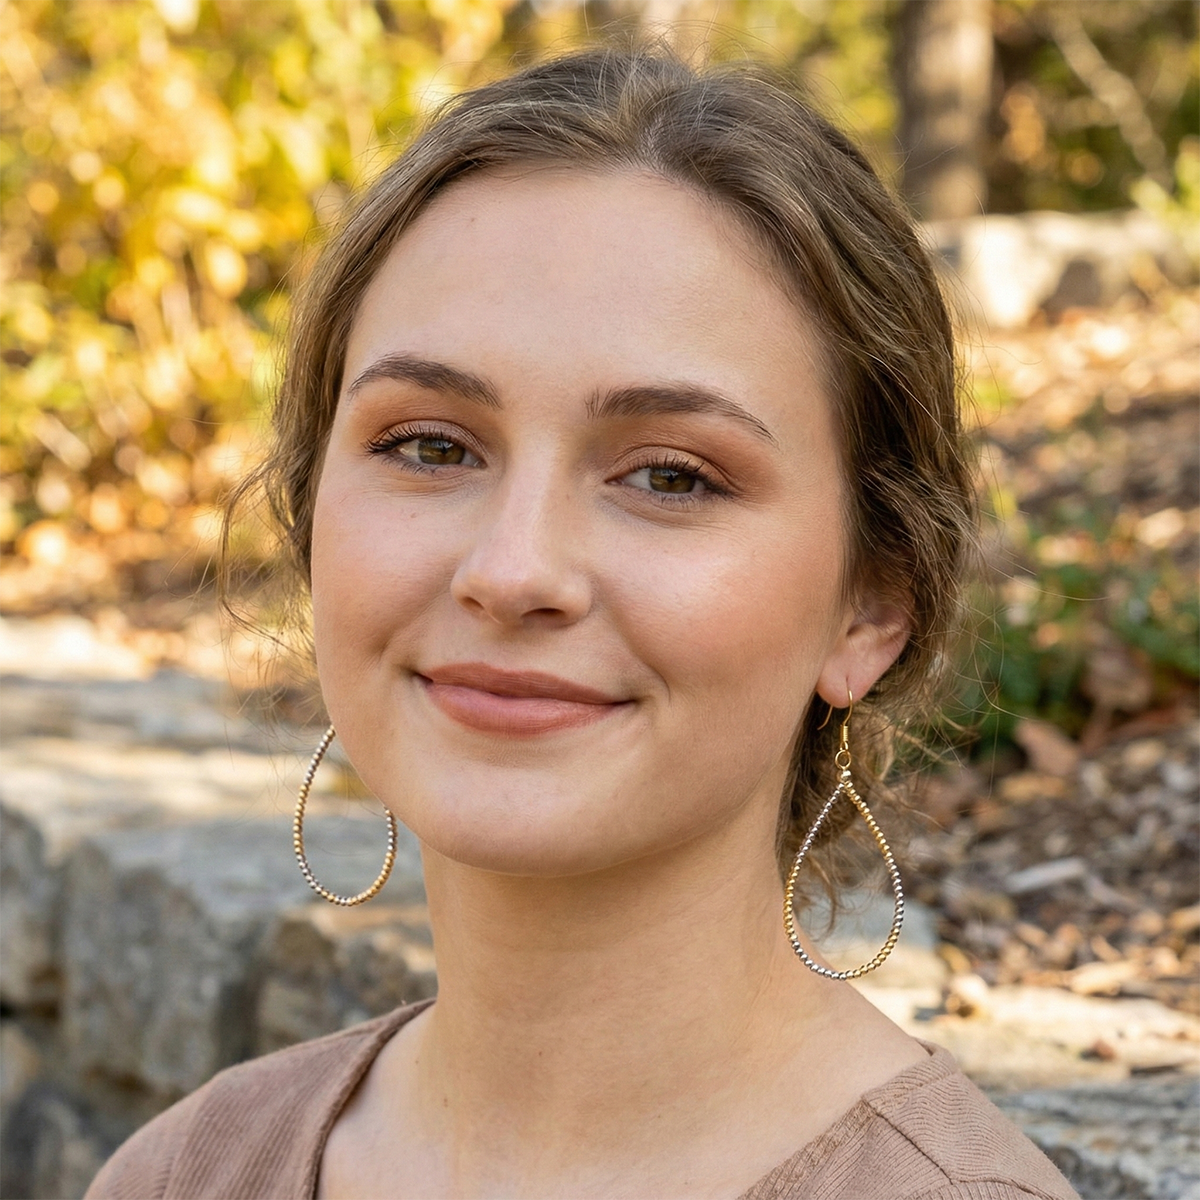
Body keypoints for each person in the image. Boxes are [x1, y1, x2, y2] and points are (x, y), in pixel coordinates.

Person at [85, 44, 1079, 1200]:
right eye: (430, 447)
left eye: (668, 476)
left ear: (872, 606)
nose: (512, 573)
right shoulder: (190, 1172)